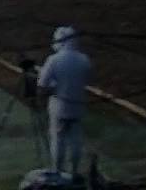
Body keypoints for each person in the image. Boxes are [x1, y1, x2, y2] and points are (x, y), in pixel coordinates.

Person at [36, 25, 92, 177]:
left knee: (58, 140)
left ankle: (58, 171)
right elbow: (86, 80)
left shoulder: (54, 60)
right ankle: (75, 171)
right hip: (78, 106)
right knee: (75, 141)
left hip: (59, 106)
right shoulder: (84, 59)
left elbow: (42, 85)